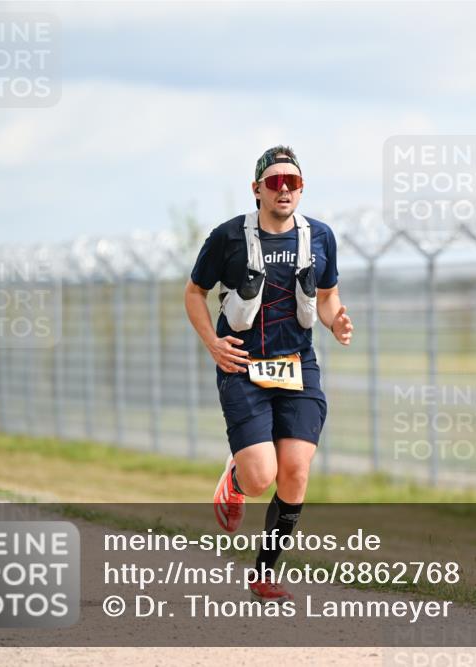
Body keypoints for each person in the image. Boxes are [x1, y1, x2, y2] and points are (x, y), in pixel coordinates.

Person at [184, 145, 353, 602]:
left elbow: (328, 295)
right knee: (261, 478)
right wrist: (212, 343)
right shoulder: (228, 238)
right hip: (242, 366)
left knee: (295, 470)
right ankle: (237, 478)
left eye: (292, 182)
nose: (284, 189)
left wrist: (336, 318)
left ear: (302, 190)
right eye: (274, 182)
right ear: (256, 189)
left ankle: (264, 571)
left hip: (298, 366)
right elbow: (194, 292)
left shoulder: (320, 237)